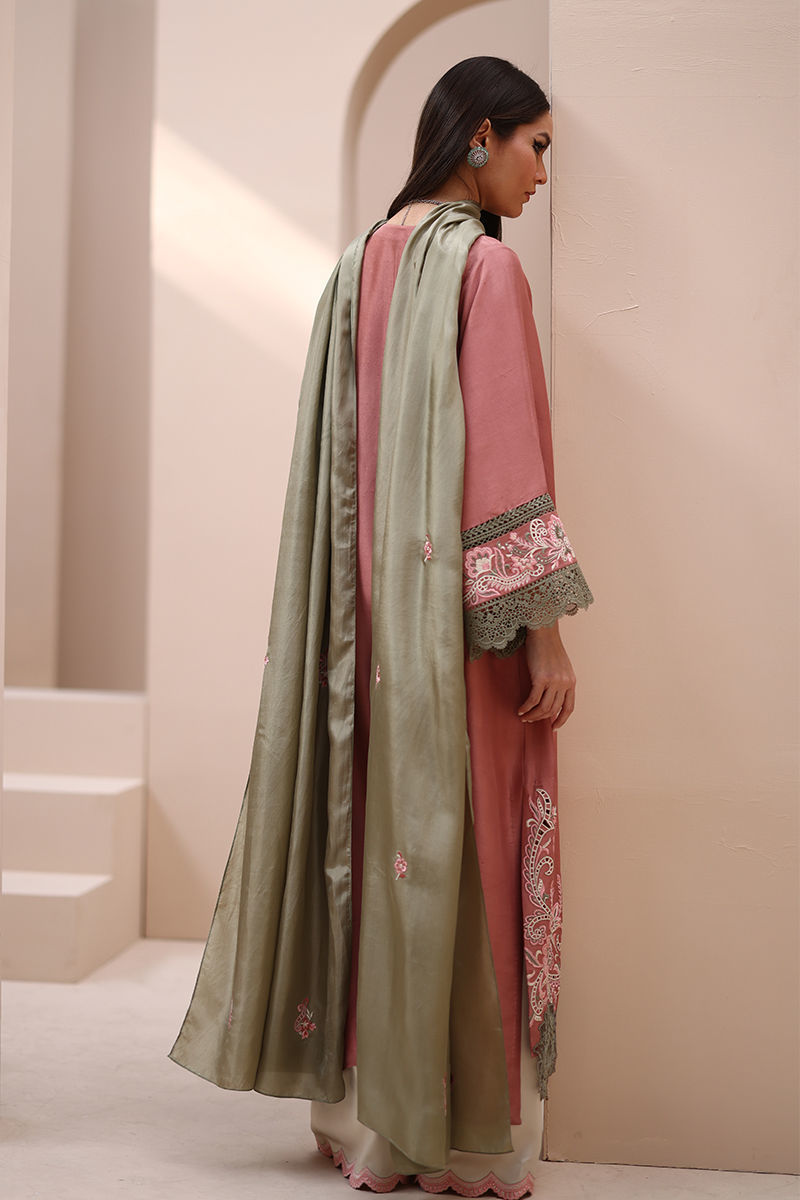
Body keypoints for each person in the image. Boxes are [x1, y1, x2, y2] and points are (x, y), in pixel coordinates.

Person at [169, 56, 593, 1200]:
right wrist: (543, 630)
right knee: (462, 844)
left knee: (373, 840)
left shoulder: (355, 263)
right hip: (457, 637)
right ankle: (460, 1136)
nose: (540, 174)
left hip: (360, 639)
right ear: (478, 136)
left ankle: (360, 1118)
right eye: (535, 147)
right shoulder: (482, 269)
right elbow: (504, 458)